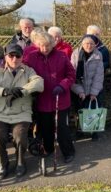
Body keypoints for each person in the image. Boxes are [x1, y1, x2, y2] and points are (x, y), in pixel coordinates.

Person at [0, 43, 44, 179]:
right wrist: (3, 91)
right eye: (11, 55)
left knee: (20, 136)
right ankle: (3, 164)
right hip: (0, 113)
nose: (14, 59)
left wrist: (21, 91)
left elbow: (39, 83)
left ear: (22, 57)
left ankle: (21, 162)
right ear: (6, 56)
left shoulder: (28, 71)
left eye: (18, 56)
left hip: (21, 112)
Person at [23, 32, 76, 163]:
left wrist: (63, 85)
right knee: (46, 127)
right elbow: (21, 70)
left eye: (47, 45)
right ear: (37, 45)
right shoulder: (31, 57)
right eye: (41, 45)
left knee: (61, 127)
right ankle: (49, 148)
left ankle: (68, 151)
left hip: (60, 98)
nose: (45, 48)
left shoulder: (61, 56)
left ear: (52, 44)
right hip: (42, 98)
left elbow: (71, 75)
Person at [71, 35, 104, 141]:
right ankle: (80, 131)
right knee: (79, 111)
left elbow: (99, 75)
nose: (89, 46)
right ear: (82, 44)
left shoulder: (98, 55)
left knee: (93, 111)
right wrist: (79, 91)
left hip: (93, 89)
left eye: (91, 44)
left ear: (95, 45)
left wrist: (94, 92)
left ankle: (94, 132)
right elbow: (72, 74)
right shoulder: (75, 54)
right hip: (79, 88)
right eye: (86, 43)